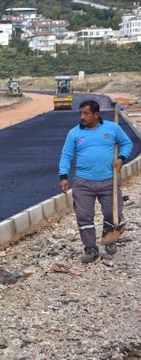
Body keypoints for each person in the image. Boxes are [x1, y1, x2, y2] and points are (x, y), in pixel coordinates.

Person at [59, 99, 132, 263]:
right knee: (84, 216)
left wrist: (121, 158)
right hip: (83, 182)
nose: (82, 117)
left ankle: (109, 236)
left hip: (108, 181)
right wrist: (63, 176)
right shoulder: (74, 133)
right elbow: (66, 155)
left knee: (112, 213)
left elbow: (127, 143)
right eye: (81, 113)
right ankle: (90, 248)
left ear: (96, 114)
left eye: (86, 113)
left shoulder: (112, 128)